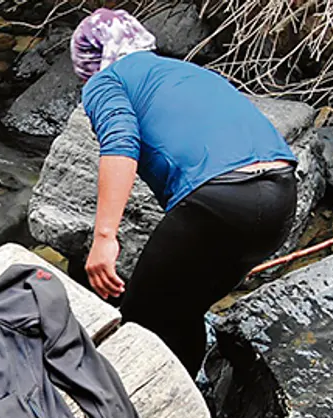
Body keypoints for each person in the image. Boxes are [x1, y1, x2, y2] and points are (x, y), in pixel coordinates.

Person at [69, 8, 299, 378]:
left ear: (90, 63)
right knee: (182, 310)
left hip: (220, 201)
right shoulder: (187, 72)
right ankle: (191, 405)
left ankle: (137, 414)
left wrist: (104, 236)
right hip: (280, 198)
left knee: (139, 320)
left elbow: (120, 142)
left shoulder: (106, 80)